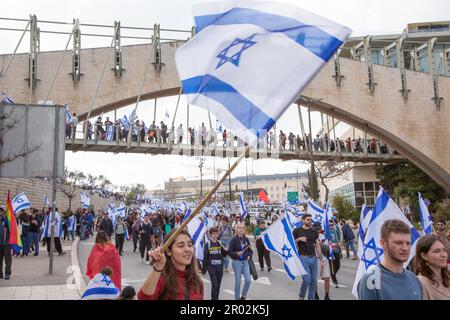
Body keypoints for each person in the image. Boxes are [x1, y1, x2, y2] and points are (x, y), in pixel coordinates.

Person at [358, 219, 423, 300]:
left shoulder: (414, 279)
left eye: (408, 243)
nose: (405, 248)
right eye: (398, 243)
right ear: (382, 243)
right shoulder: (371, 280)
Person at [138, 229, 204, 300]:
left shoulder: (196, 281)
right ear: (168, 251)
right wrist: (158, 267)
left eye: (190, 245)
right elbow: (143, 297)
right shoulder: (162, 279)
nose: (187, 249)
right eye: (181, 246)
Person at [293, 213, 322, 300]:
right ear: (303, 220)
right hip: (303, 257)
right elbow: (290, 243)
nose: (310, 221)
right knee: (307, 280)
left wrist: (320, 260)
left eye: (310, 220)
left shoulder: (313, 231)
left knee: (313, 282)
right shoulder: (297, 231)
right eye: (308, 219)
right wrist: (299, 239)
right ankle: (301, 296)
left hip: (313, 258)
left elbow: (317, 245)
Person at [414, 234, 450, 299]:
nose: (443, 255)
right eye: (437, 251)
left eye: (444, 250)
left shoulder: (447, 278)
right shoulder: (420, 283)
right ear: (424, 256)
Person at [228, 223, 253, 300]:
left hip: (245, 262)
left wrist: (249, 255)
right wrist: (236, 253)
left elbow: (250, 250)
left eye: (242, 228)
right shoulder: (233, 239)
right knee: (238, 282)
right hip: (237, 262)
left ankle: (243, 296)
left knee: (248, 280)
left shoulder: (246, 239)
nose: (241, 229)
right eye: (239, 228)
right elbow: (229, 252)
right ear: (236, 229)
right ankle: (236, 298)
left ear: (244, 230)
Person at [202, 227, 227, 300]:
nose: (215, 235)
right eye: (213, 234)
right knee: (215, 283)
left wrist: (225, 251)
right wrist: (204, 268)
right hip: (211, 267)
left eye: (216, 234)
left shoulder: (220, 243)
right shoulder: (207, 244)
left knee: (218, 285)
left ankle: (216, 297)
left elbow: (224, 255)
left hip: (220, 267)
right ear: (210, 235)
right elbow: (205, 257)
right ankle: (214, 298)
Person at [318, 234, 332, 300]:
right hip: (316, 260)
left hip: (324, 260)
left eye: (323, 240)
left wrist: (328, 246)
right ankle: (315, 295)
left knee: (327, 278)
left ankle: (326, 295)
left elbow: (326, 247)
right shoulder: (311, 235)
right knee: (314, 280)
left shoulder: (322, 235)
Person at [0, 209, 12, 280]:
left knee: (7, 259)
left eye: (2, 211)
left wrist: (7, 223)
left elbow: (13, 228)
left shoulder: (9, 220)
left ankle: (7, 273)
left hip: (7, 243)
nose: (1, 212)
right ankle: (0, 274)